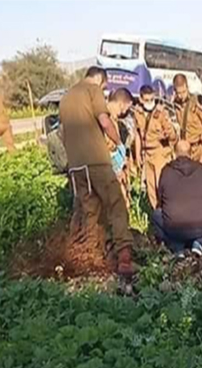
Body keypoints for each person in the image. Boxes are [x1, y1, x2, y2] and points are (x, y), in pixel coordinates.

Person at [59, 66, 134, 278]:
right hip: (97, 162)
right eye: (105, 85)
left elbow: (63, 132)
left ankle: (89, 260)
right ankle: (125, 259)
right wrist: (118, 142)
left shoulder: (66, 98)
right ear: (99, 79)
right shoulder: (93, 91)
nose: (104, 88)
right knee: (116, 204)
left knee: (90, 212)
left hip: (76, 167)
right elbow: (104, 120)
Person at [152, 140, 202, 258]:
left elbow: (161, 200)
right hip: (200, 227)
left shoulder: (166, 171)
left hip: (174, 228)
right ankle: (200, 243)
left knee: (156, 215)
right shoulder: (201, 169)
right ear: (191, 153)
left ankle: (176, 246)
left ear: (174, 153)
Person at [172, 73, 202, 210]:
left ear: (187, 87)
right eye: (178, 92)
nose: (181, 95)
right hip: (189, 151)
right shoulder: (176, 105)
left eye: (183, 91)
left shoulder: (196, 103)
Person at [134, 85, 177, 209]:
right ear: (141, 99)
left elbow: (172, 135)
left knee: (162, 186)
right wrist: (138, 156)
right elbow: (138, 134)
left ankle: (168, 214)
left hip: (160, 153)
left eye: (152, 99)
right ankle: (158, 216)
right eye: (146, 100)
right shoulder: (138, 112)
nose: (150, 103)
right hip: (147, 155)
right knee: (151, 189)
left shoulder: (161, 112)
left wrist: (168, 135)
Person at [105, 88, 134, 210]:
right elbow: (108, 148)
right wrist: (117, 169)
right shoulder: (104, 119)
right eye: (126, 109)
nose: (125, 113)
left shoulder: (113, 119)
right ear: (121, 105)